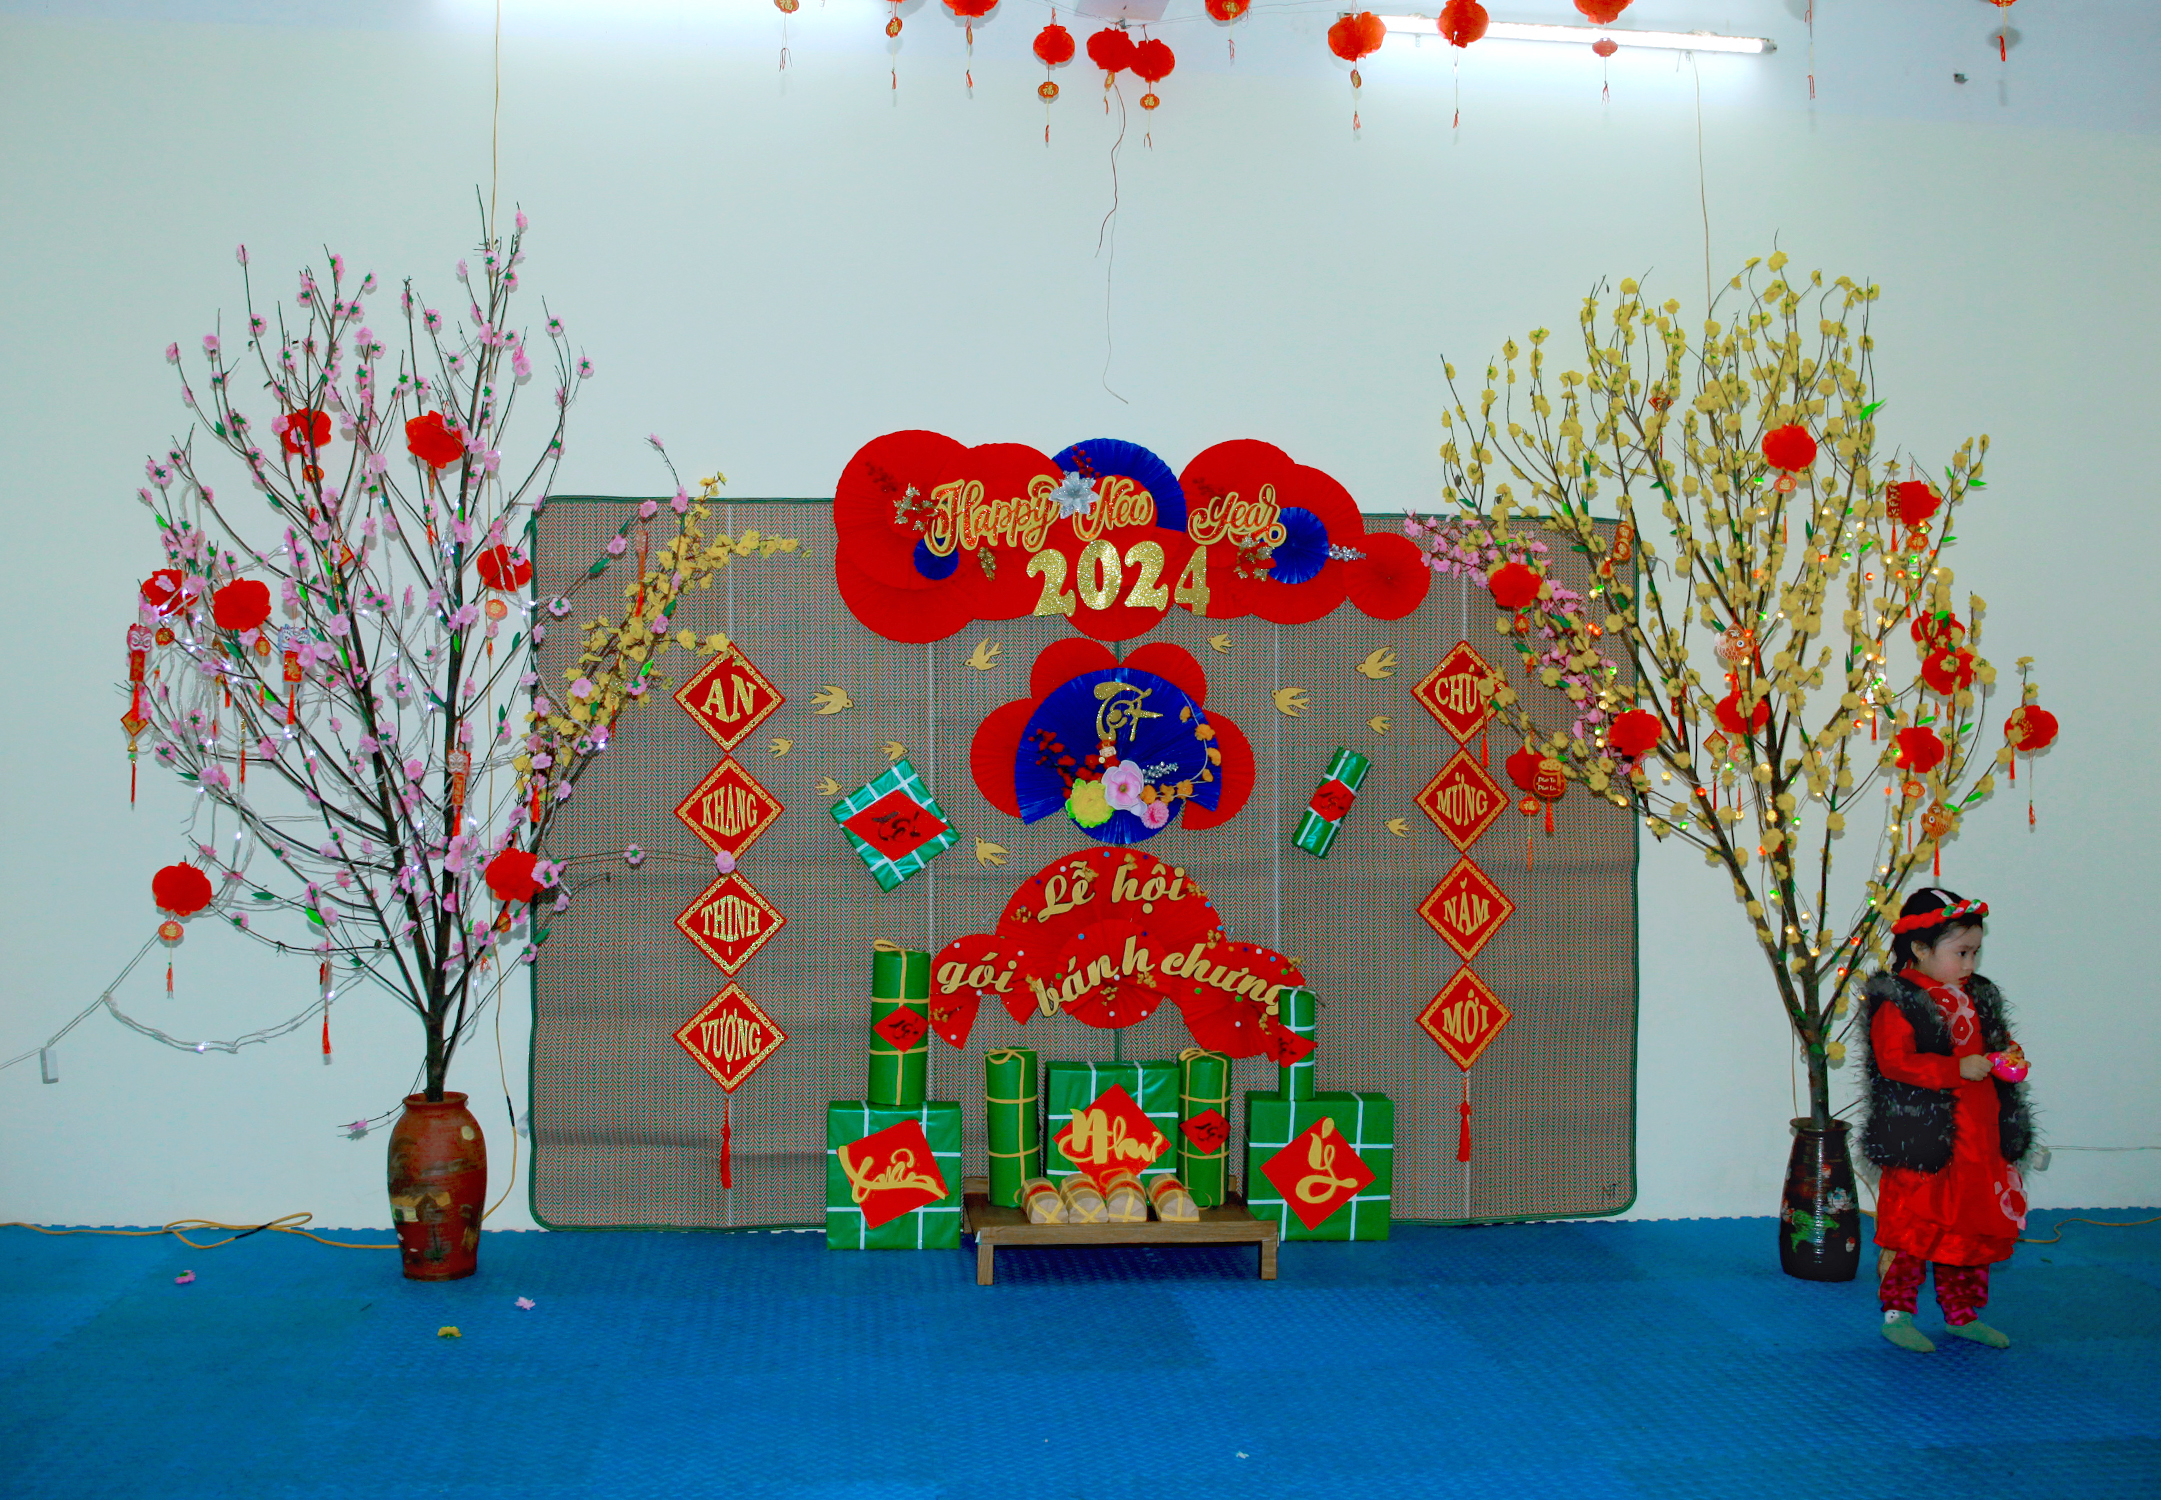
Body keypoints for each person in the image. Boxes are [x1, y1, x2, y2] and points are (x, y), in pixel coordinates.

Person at [1859, 887, 2034, 1352]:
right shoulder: (1900, 1000)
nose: (1970, 963)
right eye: (1961, 953)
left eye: (1975, 952)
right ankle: (1897, 1313)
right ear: (1920, 948)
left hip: (1978, 1136)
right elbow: (1894, 1061)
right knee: (1915, 1224)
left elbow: (1996, 1043)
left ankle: (1962, 1313)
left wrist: (2008, 1056)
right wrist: (1954, 1069)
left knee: (1969, 1226)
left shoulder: (1979, 996)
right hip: (1925, 1139)